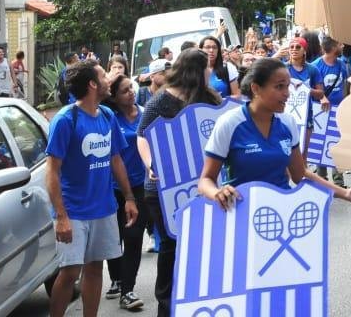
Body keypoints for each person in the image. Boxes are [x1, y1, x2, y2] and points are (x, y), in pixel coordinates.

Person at [198, 57, 351, 203]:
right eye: (279, 86)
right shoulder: (229, 123)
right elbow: (205, 180)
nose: (287, 93)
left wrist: (345, 193)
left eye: (288, 86)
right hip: (241, 213)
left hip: (282, 212)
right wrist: (217, 193)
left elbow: (300, 174)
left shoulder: (287, 122)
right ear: (256, 88)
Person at [45, 61, 138, 317]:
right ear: (92, 84)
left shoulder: (107, 116)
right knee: (70, 272)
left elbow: (115, 158)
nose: (110, 78)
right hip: (73, 211)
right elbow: (51, 170)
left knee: (95, 268)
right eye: (103, 75)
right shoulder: (66, 120)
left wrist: (129, 197)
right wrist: (61, 216)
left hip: (104, 207)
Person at [136, 49, 221, 317]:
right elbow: (142, 136)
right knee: (172, 246)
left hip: (201, 185)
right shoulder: (161, 101)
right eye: (206, 66)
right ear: (196, 70)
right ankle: (168, 305)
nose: (210, 70)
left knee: (201, 245)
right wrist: (150, 164)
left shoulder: (209, 98)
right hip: (163, 190)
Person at [103, 75, 149, 310]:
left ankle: (127, 291)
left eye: (131, 88)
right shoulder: (110, 118)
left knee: (133, 238)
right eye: (124, 91)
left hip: (140, 185)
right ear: (114, 97)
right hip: (113, 187)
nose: (131, 93)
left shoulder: (145, 113)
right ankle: (117, 278)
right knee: (115, 237)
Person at [310, 36, 351, 186]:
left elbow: (345, 85)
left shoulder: (342, 65)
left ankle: (338, 181)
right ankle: (321, 180)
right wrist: (321, 98)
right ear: (334, 47)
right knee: (320, 144)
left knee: (337, 145)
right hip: (320, 111)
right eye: (340, 44)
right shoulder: (315, 66)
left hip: (338, 111)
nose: (342, 46)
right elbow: (309, 88)